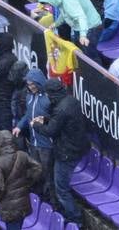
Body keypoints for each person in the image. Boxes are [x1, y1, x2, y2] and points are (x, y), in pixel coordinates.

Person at [36, 77, 88, 224]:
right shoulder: (71, 101)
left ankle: (75, 219)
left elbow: (51, 130)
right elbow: (59, 123)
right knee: (58, 184)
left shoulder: (61, 109)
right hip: (73, 147)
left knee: (62, 189)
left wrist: (37, 125)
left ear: (51, 93)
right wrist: (47, 119)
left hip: (66, 152)